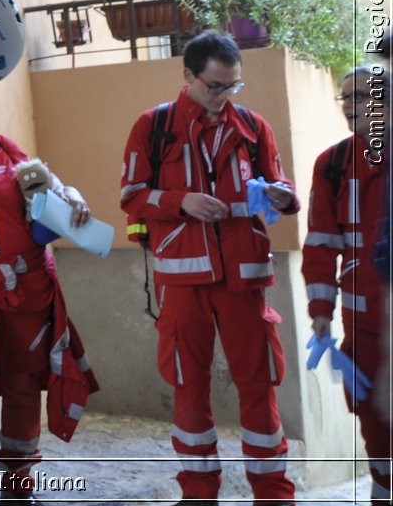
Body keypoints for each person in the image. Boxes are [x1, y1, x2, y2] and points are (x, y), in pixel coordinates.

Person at [119, 30, 299, 506]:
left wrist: (283, 195)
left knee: (259, 385)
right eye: (215, 86)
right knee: (188, 387)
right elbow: (130, 196)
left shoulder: (253, 126)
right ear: (188, 77)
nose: (223, 98)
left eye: (232, 87)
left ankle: (274, 496)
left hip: (244, 279)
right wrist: (183, 201)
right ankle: (199, 494)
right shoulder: (153, 126)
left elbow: (278, 182)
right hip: (183, 279)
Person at [0, 93, 97, 504]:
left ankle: (18, 489)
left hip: (26, 285)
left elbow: (50, 187)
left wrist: (72, 196)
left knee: (24, 381)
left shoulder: (6, 150)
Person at [303, 66, 391, 502]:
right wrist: (321, 314)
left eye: (362, 97)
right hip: (364, 329)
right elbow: (320, 245)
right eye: (346, 98)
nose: (351, 107)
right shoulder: (333, 164)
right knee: (377, 431)